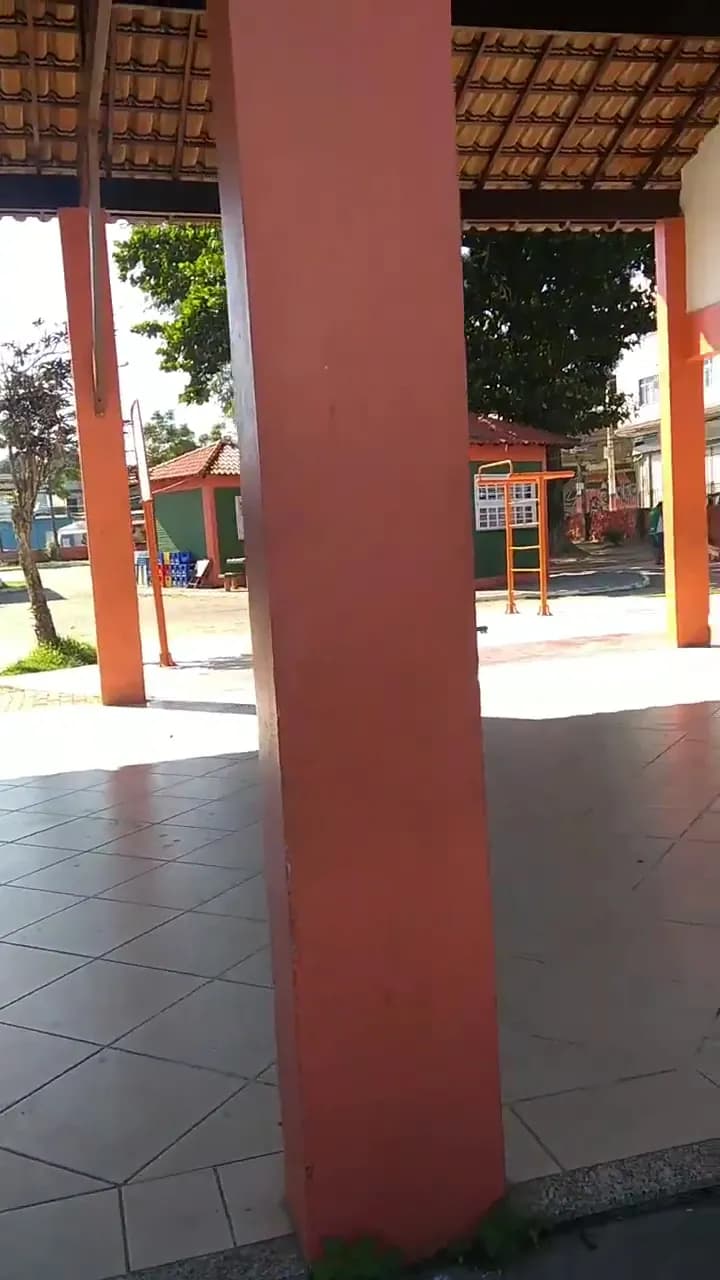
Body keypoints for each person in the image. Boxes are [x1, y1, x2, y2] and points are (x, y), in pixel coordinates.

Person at [649, 500, 663, 565]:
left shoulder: (652, 511)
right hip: (659, 531)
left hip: (652, 531)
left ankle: (656, 560)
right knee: (660, 546)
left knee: (655, 547)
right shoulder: (659, 512)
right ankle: (659, 560)